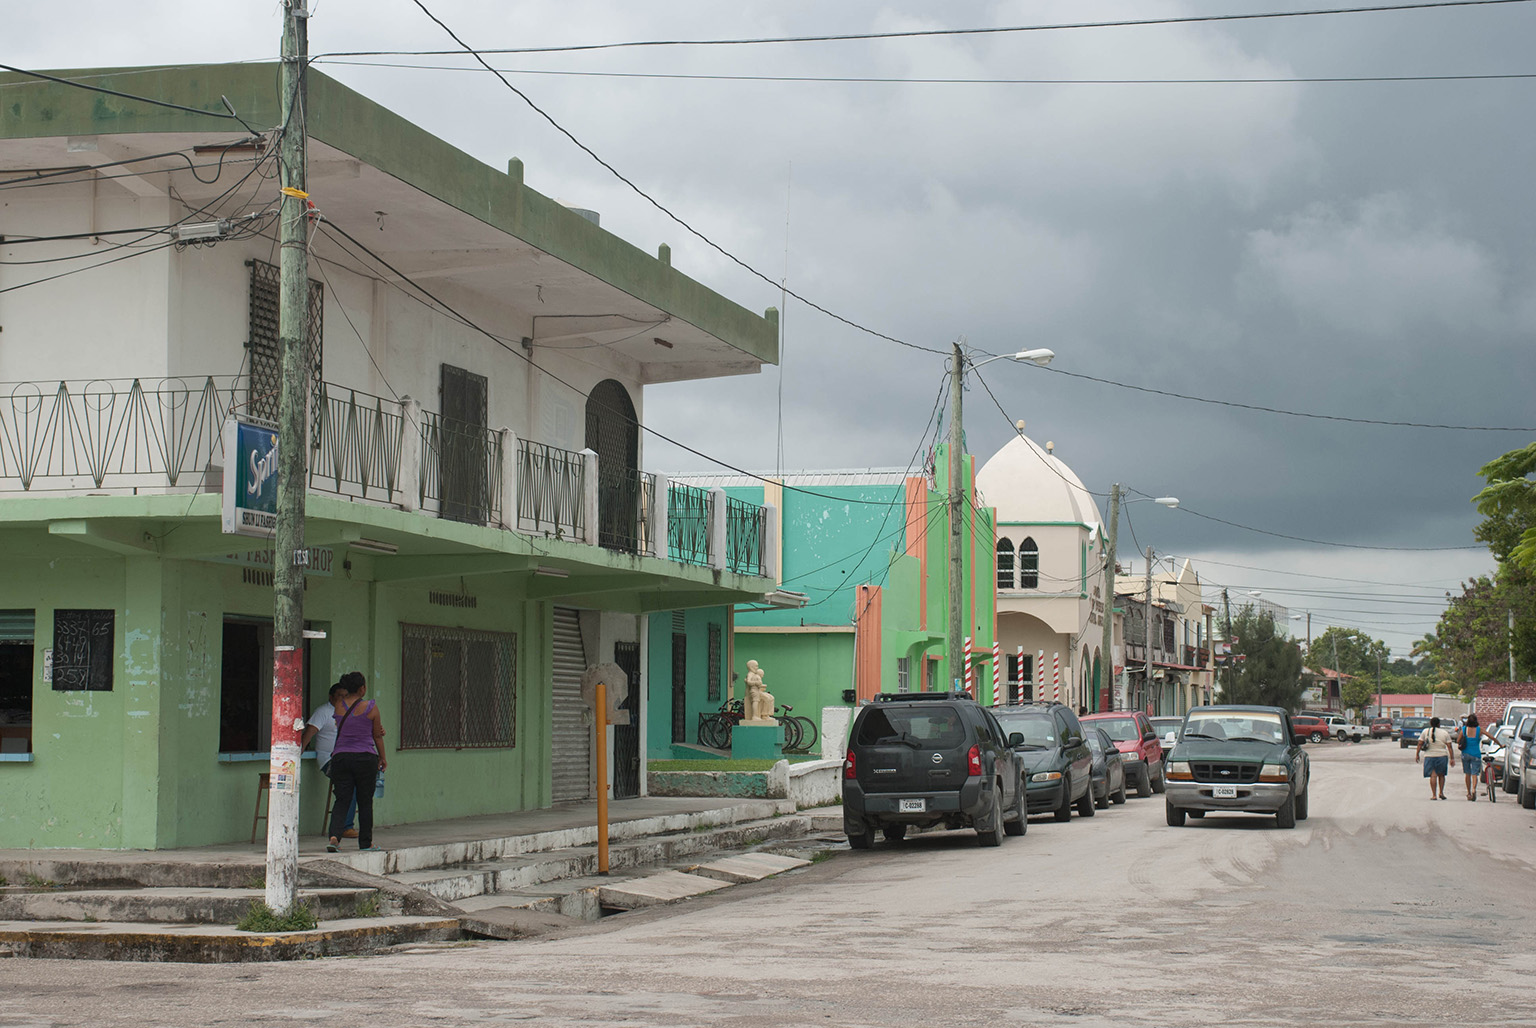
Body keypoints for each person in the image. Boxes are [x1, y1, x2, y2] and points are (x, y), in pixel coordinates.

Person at [326, 671, 387, 852]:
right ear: (362, 688)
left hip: (341, 757)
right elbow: (377, 735)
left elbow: (344, 729)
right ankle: (365, 843)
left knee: (342, 799)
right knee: (365, 801)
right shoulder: (371, 707)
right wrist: (383, 757)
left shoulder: (338, 706)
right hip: (365, 757)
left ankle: (334, 837)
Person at [300, 682, 357, 838]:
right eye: (340, 696)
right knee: (348, 785)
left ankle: (347, 824)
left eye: (346, 696)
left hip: (346, 757)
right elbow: (310, 732)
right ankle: (345, 827)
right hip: (329, 759)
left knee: (359, 782)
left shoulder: (348, 712)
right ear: (331, 697)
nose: (344, 699)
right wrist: (298, 752)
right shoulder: (323, 712)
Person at [1415, 715, 1455, 800]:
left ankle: (1434, 795)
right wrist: (1452, 758)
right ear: (1439, 724)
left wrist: (1417, 754)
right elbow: (1449, 747)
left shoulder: (1425, 731)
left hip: (1429, 756)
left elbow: (1420, 743)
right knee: (1441, 775)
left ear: (1430, 723)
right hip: (1442, 756)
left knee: (1433, 776)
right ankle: (1441, 792)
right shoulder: (1444, 733)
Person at [1456, 713, 1486, 801]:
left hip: (1465, 754)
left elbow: (1458, 740)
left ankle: (1468, 792)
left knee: (1467, 773)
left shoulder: (1464, 729)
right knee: (1474, 774)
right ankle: (1474, 789)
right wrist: (1500, 744)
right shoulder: (1479, 730)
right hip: (1476, 754)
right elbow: (1491, 736)